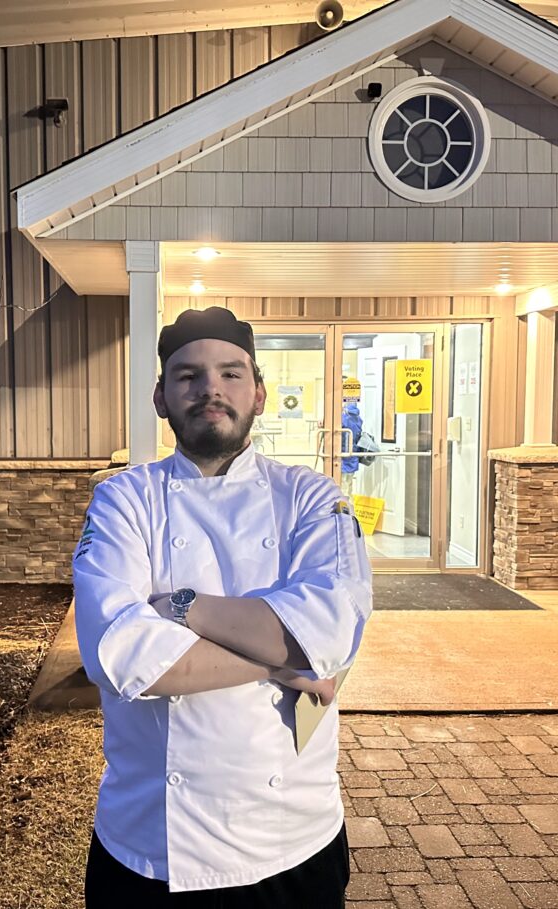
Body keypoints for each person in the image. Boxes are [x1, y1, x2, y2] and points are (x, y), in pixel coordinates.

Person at [73, 306, 374, 907]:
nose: (211, 388)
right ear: (160, 397)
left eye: (231, 373)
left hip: (290, 838)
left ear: (260, 394)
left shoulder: (313, 498)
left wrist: (179, 606)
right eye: (188, 376)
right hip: (150, 843)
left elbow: (331, 630)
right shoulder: (122, 501)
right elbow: (122, 659)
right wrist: (288, 660)